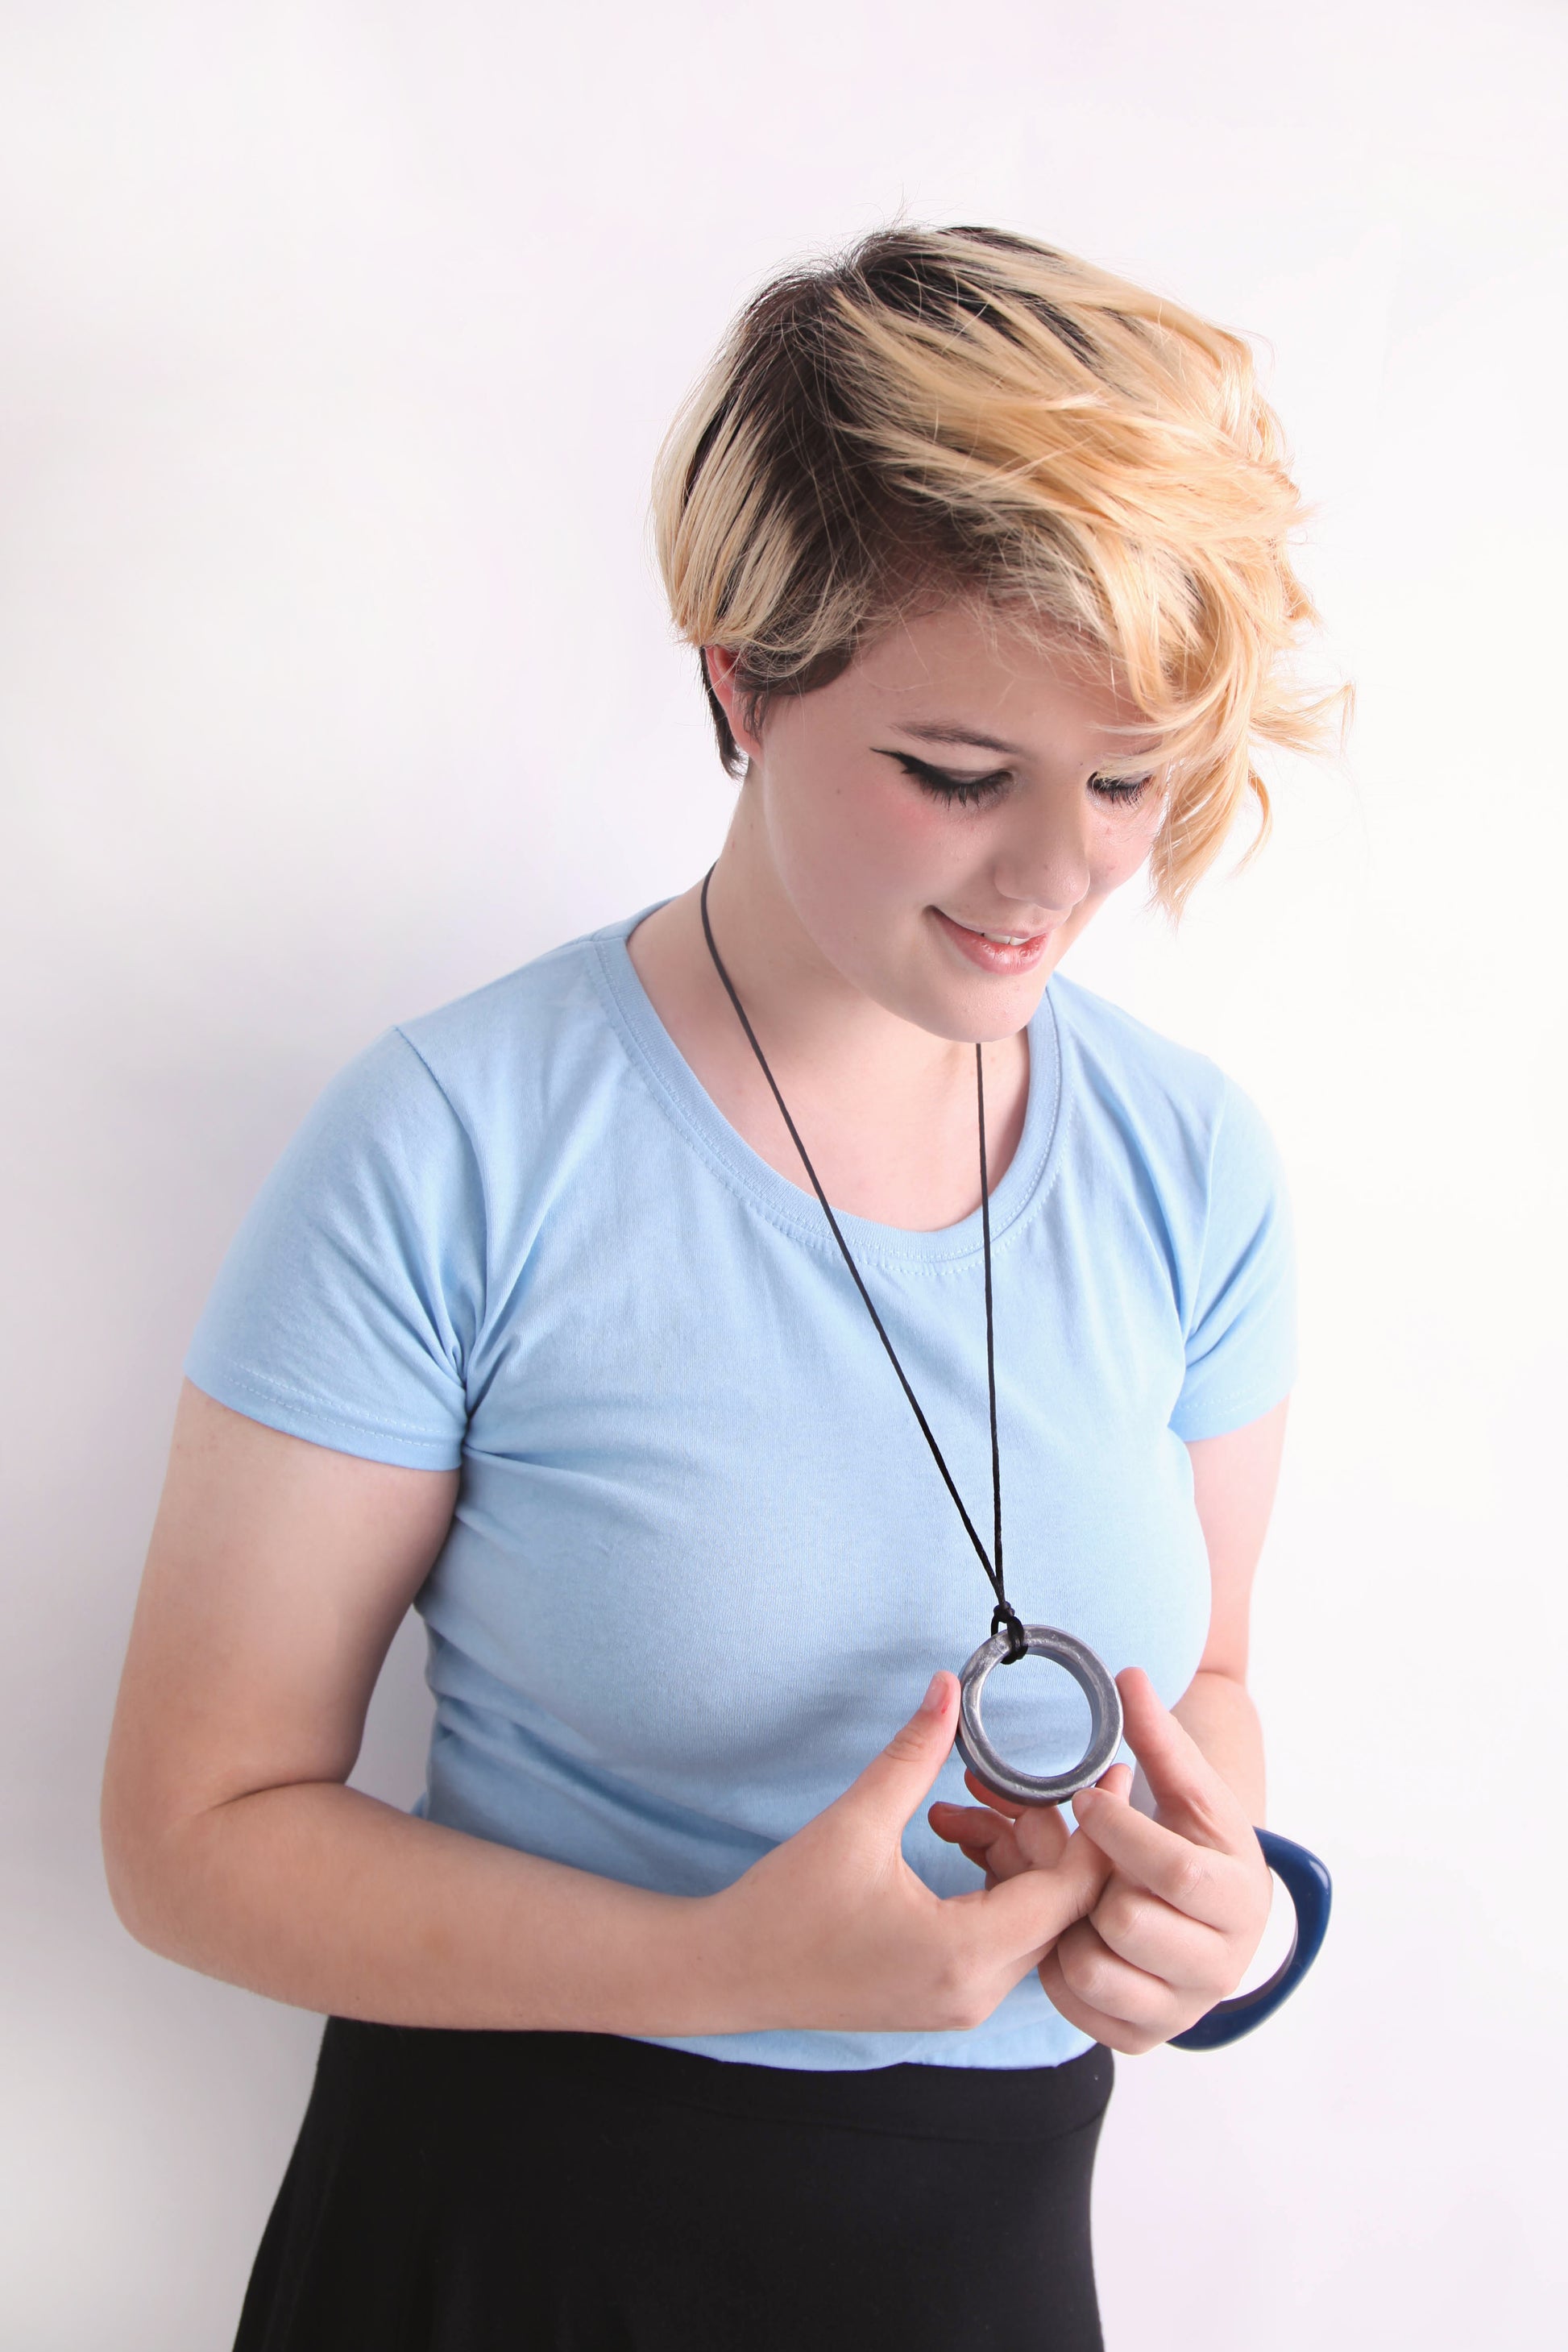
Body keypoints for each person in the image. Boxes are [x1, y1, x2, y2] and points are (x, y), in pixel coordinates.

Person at [102, 225, 1341, 2350]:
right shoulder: (453, 1143)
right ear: (733, 676)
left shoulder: (1189, 1161)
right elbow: (196, 1834)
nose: (1053, 878)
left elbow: (1205, 1686)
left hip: (982, 2263)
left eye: (1127, 777)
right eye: (958, 774)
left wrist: (1220, 1922)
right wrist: (729, 1967)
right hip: (505, 2252)